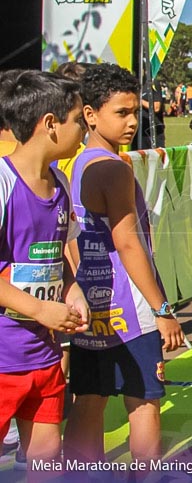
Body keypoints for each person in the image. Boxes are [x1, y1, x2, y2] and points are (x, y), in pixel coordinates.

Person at [63, 64, 185, 463]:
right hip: (130, 307)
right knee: (144, 402)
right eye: (121, 113)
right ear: (91, 115)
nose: (133, 122)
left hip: (91, 303)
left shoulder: (79, 162)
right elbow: (129, 245)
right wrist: (163, 309)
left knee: (89, 400)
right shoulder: (113, 168)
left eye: (135, 111)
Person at [0, 71, 90, 474]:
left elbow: (56, 262)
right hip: (5, 357)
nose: (86, 130)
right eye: (79, 121)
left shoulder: (61, 184)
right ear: (50, 124)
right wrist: (39, 310)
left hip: (44, 356)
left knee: (46, 461)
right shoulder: (3, 182)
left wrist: (73, 294)